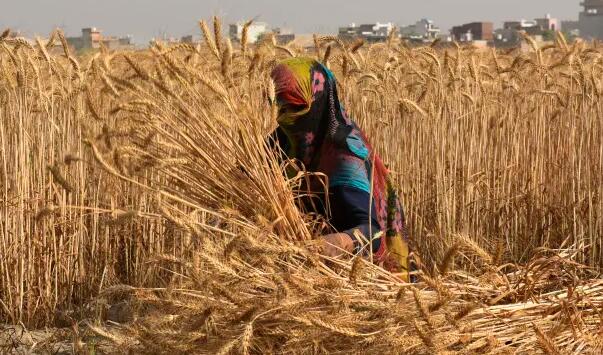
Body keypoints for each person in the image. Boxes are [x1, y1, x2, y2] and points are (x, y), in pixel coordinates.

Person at [269, 57, 411, 280]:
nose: (284, 116)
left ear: (317, 101)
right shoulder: (283, 139)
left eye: (295, 107)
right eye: (280, 105)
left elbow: (374, 234)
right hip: (309, 277)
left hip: (371, 283)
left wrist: (337, 243)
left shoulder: (346, 158)